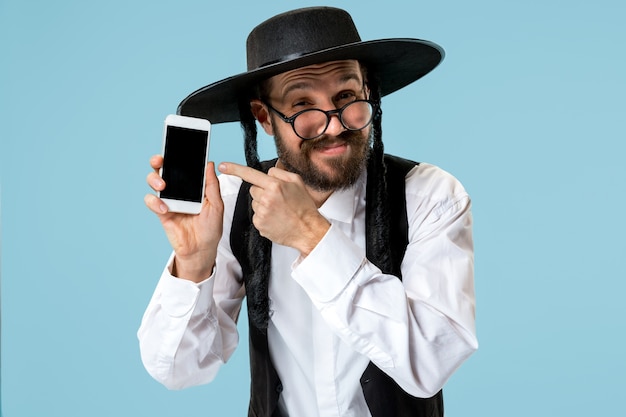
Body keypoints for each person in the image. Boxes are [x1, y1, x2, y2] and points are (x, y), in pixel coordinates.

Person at [138, 6, 477, 417]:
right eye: (302, 105)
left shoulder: (429, 195)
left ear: (369, 92)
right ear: (264, 117)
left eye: (347, 97)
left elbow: (432, 361)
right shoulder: (233, 203)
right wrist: (193, 264)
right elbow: (178, 370)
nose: (333, 126)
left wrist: (311, 236)